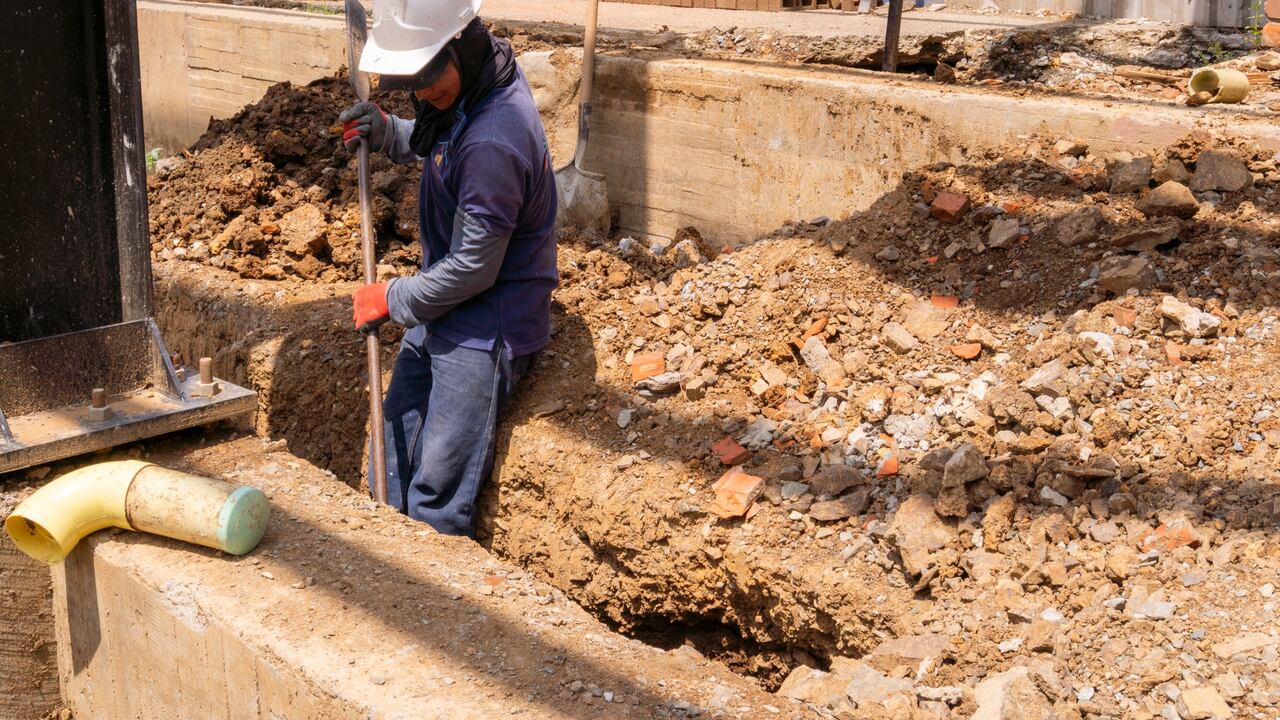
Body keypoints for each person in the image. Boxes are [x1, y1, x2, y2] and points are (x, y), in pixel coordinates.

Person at [339, 0, 557, 537]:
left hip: (486, 324)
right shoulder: (483, 77)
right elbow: (446, 143)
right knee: (390, 452)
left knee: (434, 490)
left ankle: (427, 601)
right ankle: (386, 558)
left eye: (429, 76)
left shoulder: (494, 139)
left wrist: (392, 298)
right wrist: (391, 132)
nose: (421, 91)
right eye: (411, 80)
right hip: (444, 308)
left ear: (460, 45)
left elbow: (473, 269)